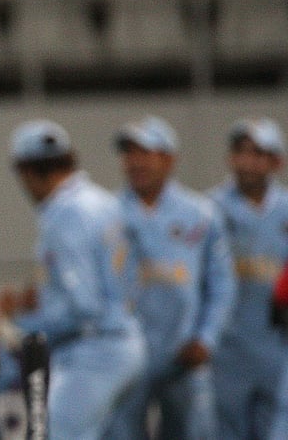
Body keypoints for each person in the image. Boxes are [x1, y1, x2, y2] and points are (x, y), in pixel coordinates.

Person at [0, 119, 146, 440]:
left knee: (58, 432)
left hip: (96, 349)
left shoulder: (64, 214)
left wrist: (22, 326)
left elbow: (84, 307)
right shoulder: (103, 201)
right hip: (128, 339)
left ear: (27, 170)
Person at [106, 116, 235, 440]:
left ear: (168, 159)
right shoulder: (107, 213)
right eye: (129, 153)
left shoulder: (200, 213)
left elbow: (221, 284)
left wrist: (205, 338)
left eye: (145, 153)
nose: (136, 162)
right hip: (126, 353)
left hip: (183, 353)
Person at [209, 118, 288, 439]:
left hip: (278, 345)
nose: (248, 162)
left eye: (258, 154)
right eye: (241, 152)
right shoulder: (210, 209)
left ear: (276, 161)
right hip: (228, 348)